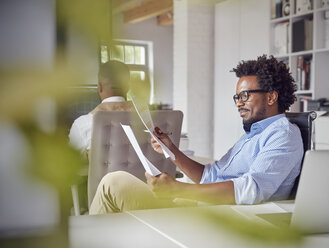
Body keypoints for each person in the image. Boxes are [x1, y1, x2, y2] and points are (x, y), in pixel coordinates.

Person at [89, 55, 303, 214]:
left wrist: (178, 190)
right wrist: (171, 150)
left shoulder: (283, 135)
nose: (239, 102)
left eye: (245, 95)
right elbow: (210, 176)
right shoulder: (252, 134)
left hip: (220, 217)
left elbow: (251, 189)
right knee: (114, 184)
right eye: (237, 96)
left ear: (271, 97)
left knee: (113, 184)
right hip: (199, 207)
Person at [69, 60, 133, 155]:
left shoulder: (82, 124)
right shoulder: (148, 121)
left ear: (99, 87)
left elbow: (72, 164)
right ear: (128, 87)